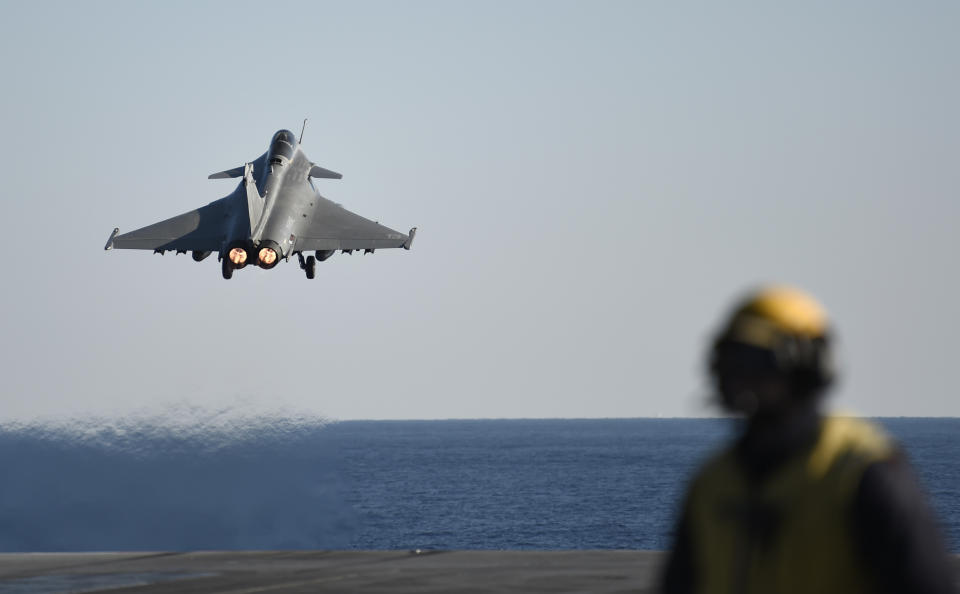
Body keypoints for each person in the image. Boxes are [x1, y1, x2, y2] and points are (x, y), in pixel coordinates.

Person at [660, 286, 955, 594]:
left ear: (805, 365)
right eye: (733, 360)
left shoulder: (862, 474)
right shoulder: (712, 483)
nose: (741, 377)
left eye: (758, 361)